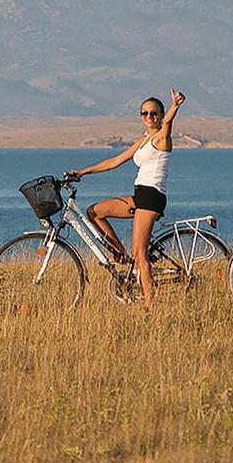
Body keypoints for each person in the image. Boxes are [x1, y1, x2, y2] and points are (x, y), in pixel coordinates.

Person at [62, 89, 185, 309]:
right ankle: (122, 258)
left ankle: (150, 307)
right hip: (140, 195)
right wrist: (82, 172)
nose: (149, 116)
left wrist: (174, 106)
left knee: (140, 253)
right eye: (144, 113)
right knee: (94, 212)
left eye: (154, 113)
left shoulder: (162, 138)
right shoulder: (144, 140)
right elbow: (114, 161)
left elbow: (167, 124)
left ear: (161, 114)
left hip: (152, 198)